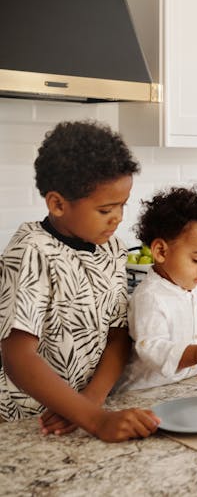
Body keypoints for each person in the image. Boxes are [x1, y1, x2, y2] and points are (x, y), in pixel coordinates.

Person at [0, 121, 159, 441]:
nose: (118, 218)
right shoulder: (31, 250)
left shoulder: (112, 249)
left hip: (84, 412)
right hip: (28, 421)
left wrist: (90, 404)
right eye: (105, 209)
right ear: (58, 204)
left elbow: (118, 334)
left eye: (122, 205)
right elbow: (18, 357)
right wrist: (96, 420)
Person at [116, 187, 197, 392]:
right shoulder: (150, 297)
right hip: (145, 393)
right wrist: (196, 354)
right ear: (161, 251)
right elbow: (152, 349)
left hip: (184, 387)